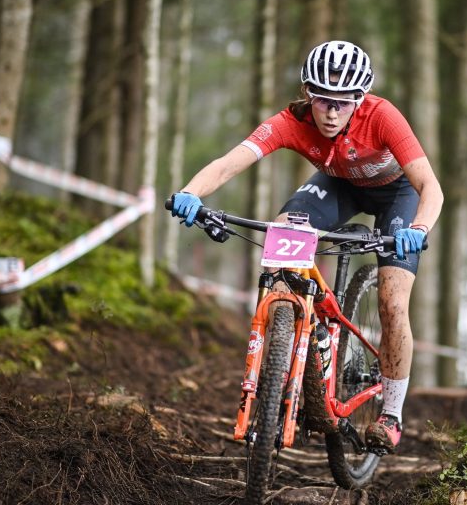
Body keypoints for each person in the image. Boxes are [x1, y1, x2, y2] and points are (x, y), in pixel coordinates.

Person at [170, 40, 443, 454]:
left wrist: (419, 228)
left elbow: (430, 187)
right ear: (307, 94)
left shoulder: (382, 115)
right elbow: (229, 162)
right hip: (339, 186)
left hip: (397, 195)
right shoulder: (289, 121)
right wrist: (191, 192)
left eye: (342, 103)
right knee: (283, 234)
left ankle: (391, 413)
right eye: (322, 100)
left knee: (392, 301)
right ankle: (292, 345)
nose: (331, 112)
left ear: (359, 99)